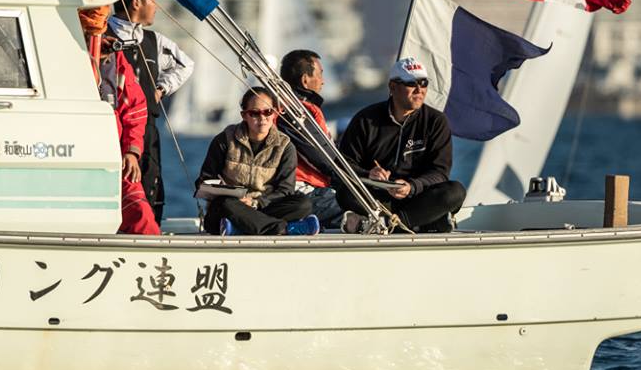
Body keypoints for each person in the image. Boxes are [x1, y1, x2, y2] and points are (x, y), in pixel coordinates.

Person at [336, 57, 465, 234]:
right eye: (411, 84)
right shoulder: (365, 119)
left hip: (417, 198)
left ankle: (389, 223)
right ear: (393, 87)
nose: (419, 90)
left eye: (424, 83)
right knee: (345, 192)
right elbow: (343, 165)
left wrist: (412, 186)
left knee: (455, 191)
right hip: (379, 197)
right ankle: (423, 223)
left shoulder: (436, 121)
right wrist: (369, 175)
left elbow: (440, 173)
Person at [108, 0, 194, 225]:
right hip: (112, 128)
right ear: (137, 2)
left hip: (147, 129)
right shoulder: (101, 37)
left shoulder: (154, 41)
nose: (156, 6)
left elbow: (186, 65)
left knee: (150, 183)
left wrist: (161, 88)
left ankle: (149, 228)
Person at [79, 5, 160, 236]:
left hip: (114, 155)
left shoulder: (116, 61)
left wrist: (132, 151)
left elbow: (135, 106)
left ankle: (152, 254)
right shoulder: (61, 55)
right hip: (73, 152)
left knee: (140, 212)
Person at [196, 87, 318, 236]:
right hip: (230, 208)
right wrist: (230, 193)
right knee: (226, 204)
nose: (262, 118)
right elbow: (205, 180)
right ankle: (284, 229)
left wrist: (256, 202)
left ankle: (238, 229)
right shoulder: (224, 140)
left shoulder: (285, 146)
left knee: (303, 204)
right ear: (244, 115)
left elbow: (285, 190)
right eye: (254, 113)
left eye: (268, 112)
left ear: (275, 113)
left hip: (263, 206)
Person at [277, 49, 343, 228]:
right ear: (305, 80)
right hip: (304, 190)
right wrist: (357, 177)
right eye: (320, 74)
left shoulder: (281, 108)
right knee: (361, 207)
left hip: (296, 190)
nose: (323, 81)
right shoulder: (297, 113)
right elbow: (324, 158)